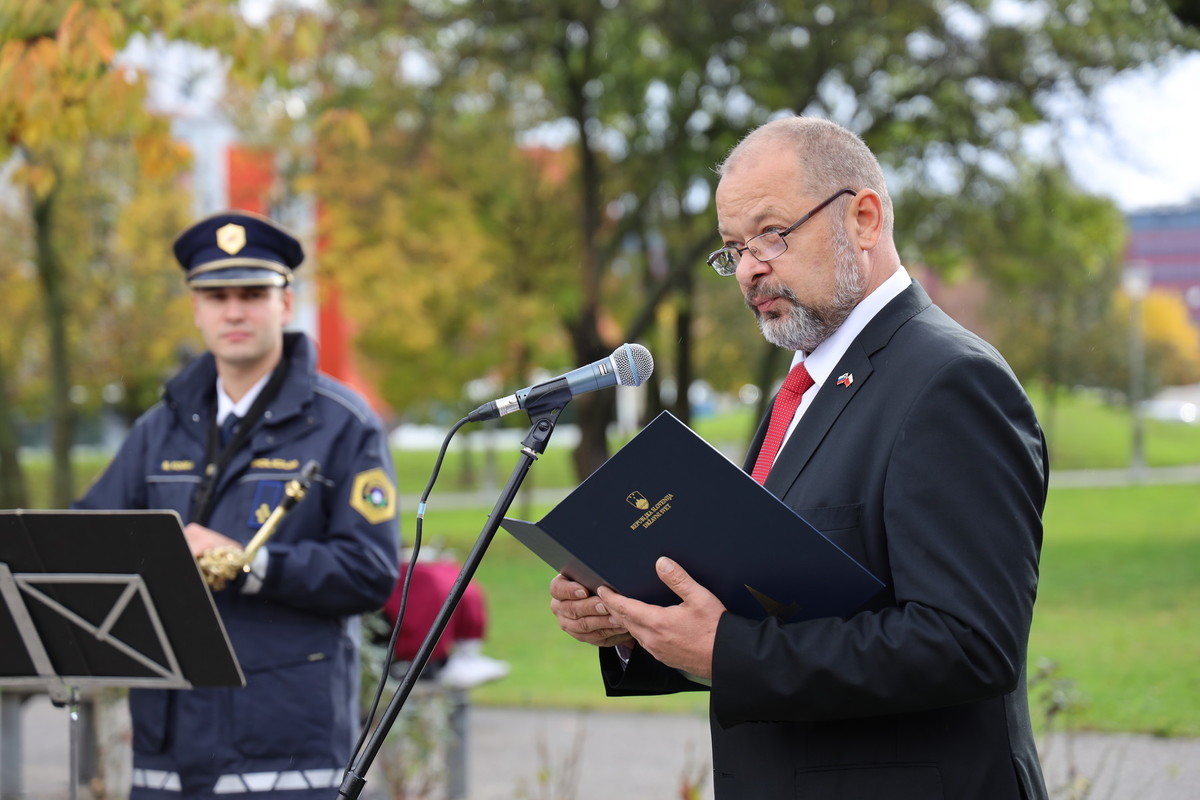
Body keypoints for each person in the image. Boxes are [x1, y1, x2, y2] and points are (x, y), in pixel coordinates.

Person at [549, 117, 1049, 799]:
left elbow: (968, 642)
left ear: (864, 219)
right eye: (732, 249)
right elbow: (769, 602)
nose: (751, 266)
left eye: (771, 234)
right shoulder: (803, 387)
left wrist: (726, 651)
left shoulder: (950, 382)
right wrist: (634, 622)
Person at [74, 210, 401, 800]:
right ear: (195, 307)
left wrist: (250, 564)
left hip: (288, 752)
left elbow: (371, 573)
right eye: (215, 294)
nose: (233, 311)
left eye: (252, 293)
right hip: (166, 752)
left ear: (285, 302)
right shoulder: (158, 427)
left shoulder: (345, 425)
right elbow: (85, 540)